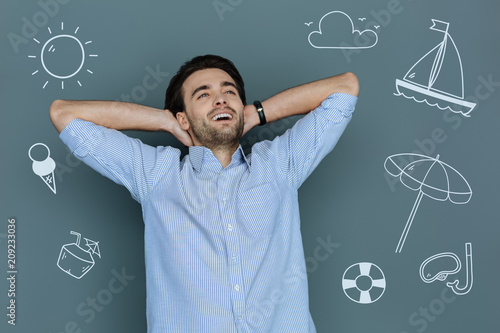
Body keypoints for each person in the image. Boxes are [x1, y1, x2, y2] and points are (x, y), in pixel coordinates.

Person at [50, 54, 359, 333]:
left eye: (229, 92)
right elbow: (64, 114)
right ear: (182, 117)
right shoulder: (156, 174)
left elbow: (345, 88)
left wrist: (257, 114)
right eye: (204, 95)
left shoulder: (279, 164)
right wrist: (165, 121)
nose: (221, 100)